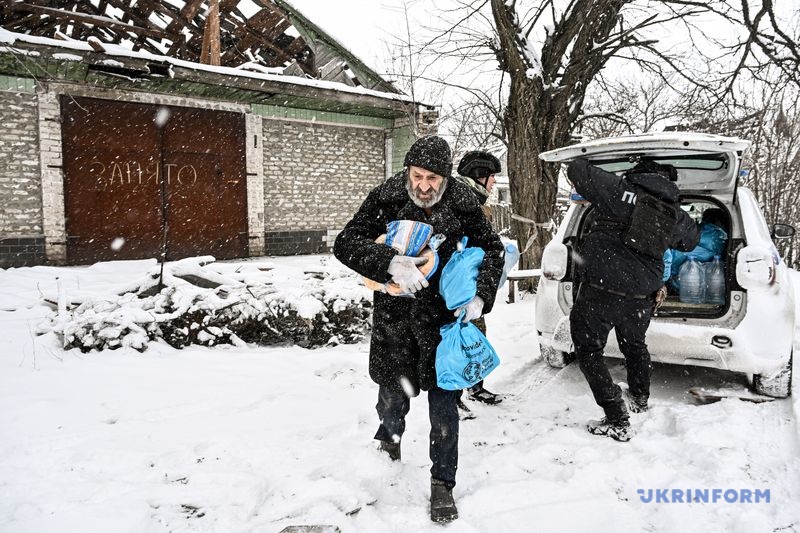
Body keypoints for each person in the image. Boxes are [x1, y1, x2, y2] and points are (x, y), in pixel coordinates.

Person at [333, 135, 504, 522]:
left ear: (445, 177)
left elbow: (492, 249)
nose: (422, 185)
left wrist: (480, 297)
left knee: (444, 405)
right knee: (393, 395)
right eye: (416, 175)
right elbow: (346, 242)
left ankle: (443, 483)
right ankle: (388, 444)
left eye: (432, 178)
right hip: (395, 320)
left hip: (443, 324)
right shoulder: (387, 196)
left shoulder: (463, 203)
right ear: (407, 171)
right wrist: (390, 263)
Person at [566, 158, 699, 442]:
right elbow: (691, 241)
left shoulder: (617, 190)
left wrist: (598, 163)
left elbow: (577, 169)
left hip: (600, 291)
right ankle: (639, 397)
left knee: (588, 350)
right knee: (635, 345)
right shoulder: (674, 214)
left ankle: (616, 415)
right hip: (641, 297)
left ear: (636, 174)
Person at [455, 151, 505, 408]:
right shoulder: (461, 203)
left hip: (473, 286)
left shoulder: (476, 201)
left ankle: (474, 387)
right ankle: (452, 398)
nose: (495, 182)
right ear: (479, 176)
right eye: (492, 176)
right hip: (456, 290)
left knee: (475, 338)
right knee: (457, 340)